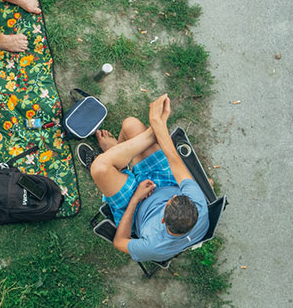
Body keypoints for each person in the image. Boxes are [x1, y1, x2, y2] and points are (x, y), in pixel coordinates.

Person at [86, 94, 209, 264]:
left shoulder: (153, 247)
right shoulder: (198, 205)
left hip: (135, 207)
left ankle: (118, 154)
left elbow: (119, 241)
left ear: (163, 219)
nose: (173, 197)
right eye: (178, 197)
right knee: (130, 125)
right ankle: (121, 151)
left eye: (171, 200)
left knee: (99, 168)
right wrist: (159, 123)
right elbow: (173, 158)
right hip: (165, 181)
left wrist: (136, 198)